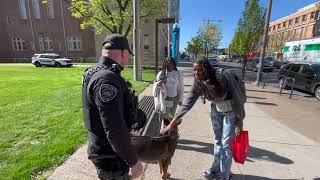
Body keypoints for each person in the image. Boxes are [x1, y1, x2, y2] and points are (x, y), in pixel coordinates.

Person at [161, 57, 246, 180]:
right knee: (217, 140)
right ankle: (215, 169)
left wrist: (240, 120)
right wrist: (172, 124)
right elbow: (187, 103)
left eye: (198, 70)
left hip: (231, 110)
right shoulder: (198, 81)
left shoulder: (224, 76)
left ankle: (224, 175)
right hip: (216, 109)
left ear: (206, 69)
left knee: (226, 144)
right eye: (194, 71)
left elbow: (238, 98)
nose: (195, 73)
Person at [82, 34, 143, 180]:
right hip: (110, 157)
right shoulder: (106, 79)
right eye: (128, 54)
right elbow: (114, 128)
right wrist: (133, 161)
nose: (129, 58)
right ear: (122, 53)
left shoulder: (93, 71)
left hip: (103, 149)